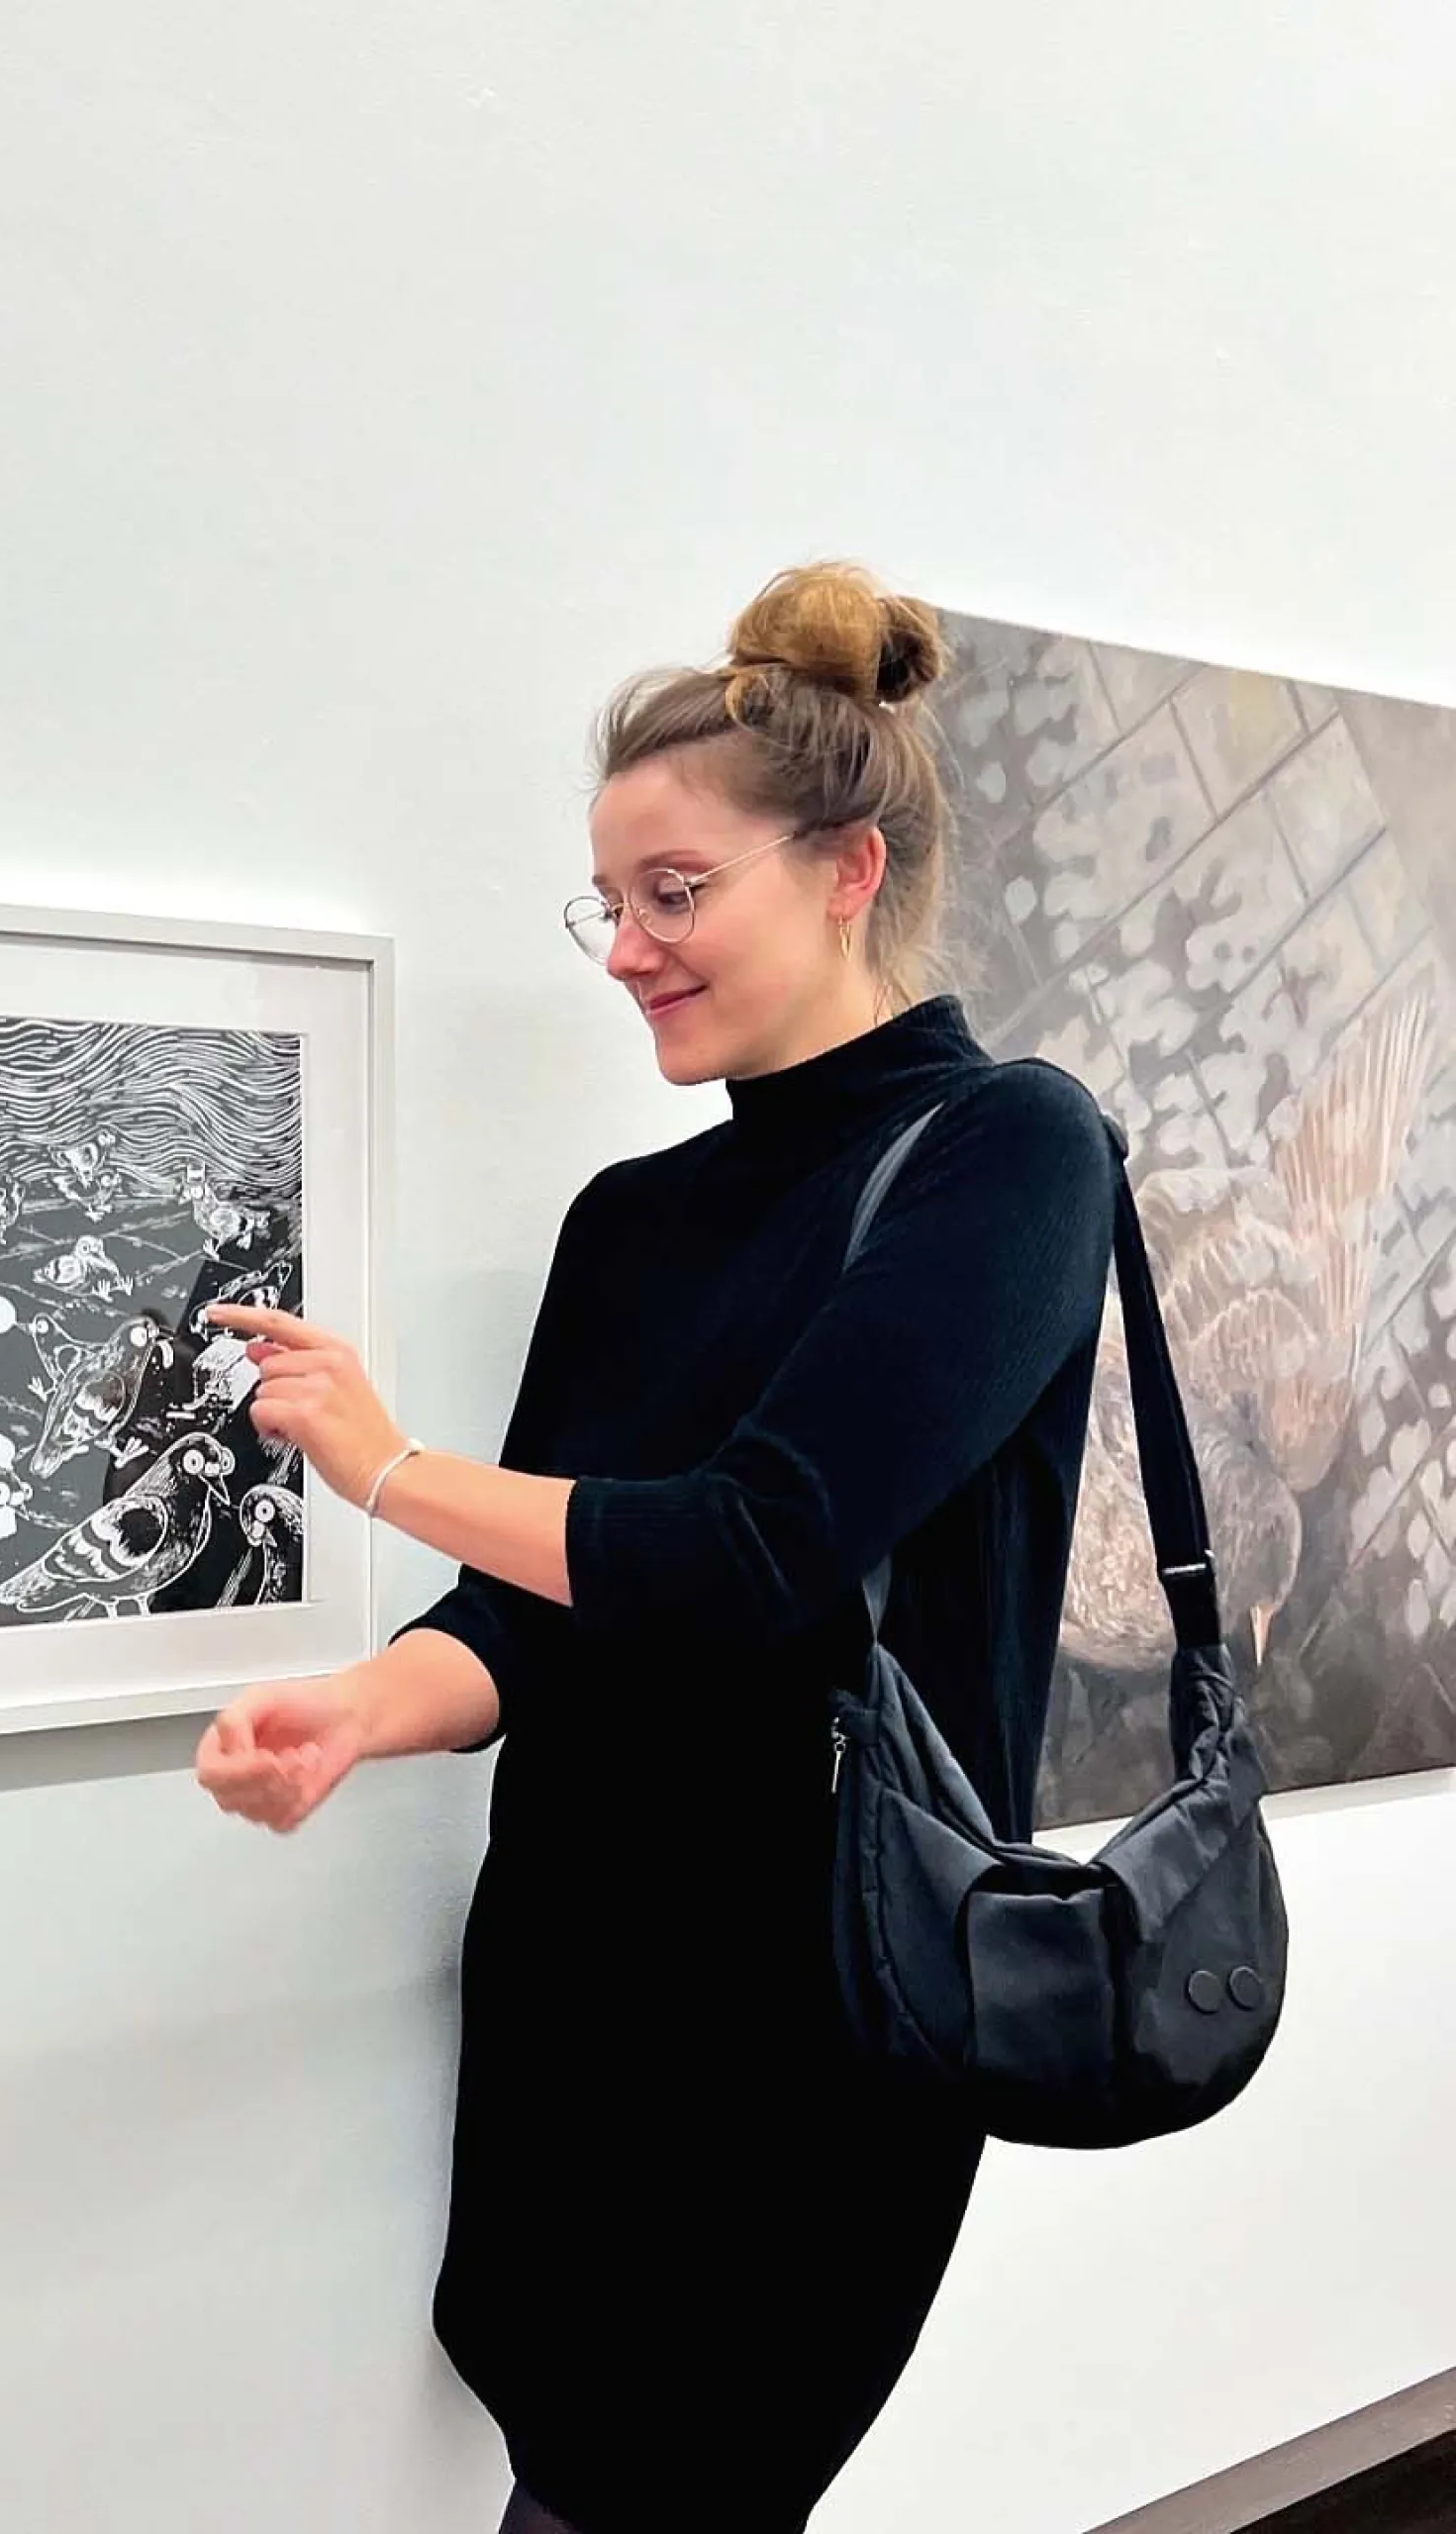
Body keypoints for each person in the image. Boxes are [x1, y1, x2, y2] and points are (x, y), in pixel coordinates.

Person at [196, 562, 1119, 2533]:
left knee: (665, 2480)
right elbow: (541, 1612)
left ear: (846, 866)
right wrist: (352, 1710)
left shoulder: (1006, 1151)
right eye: (603, 901)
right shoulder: (627, 1216)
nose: (621, 948)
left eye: (671, 892)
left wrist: (378, 1458)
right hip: (573, 1976)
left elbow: (746, 1547)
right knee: (559, 2441)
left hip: (809, 2022)